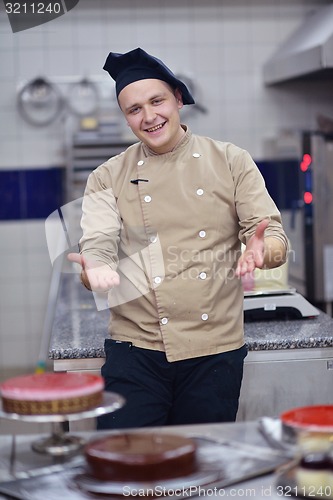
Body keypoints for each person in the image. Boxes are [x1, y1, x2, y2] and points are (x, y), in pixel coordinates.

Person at [68, 47, 289, 429]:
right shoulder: (107, 176)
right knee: (125, 468)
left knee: (202, 470)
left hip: (214, 351)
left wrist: (263, 250)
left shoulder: (231, 160)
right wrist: (96, 270)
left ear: (179, 99)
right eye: (134, 109)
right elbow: (98, 245)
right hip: (134, 350)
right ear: (126, 118)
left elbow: (271, 236)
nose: (149, 117)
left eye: (157, 101)